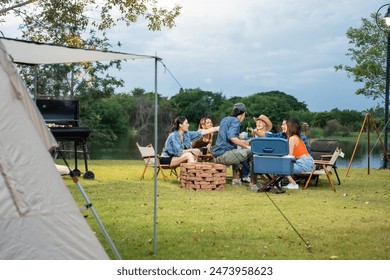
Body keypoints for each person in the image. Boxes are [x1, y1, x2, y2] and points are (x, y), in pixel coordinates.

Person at [212, 103, 260, 191]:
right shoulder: (236, 121)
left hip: (217, 155)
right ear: (243, 113)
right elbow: (232, 137)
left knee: (236, 149)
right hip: (224, 156)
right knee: (253, 152)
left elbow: (228, 139)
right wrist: (246, 146)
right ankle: (253, 184)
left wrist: (241, 142)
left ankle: (236, 180)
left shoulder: (225, 119)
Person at [283, 118, 314, 190]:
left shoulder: (292, 139)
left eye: (285, 125)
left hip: (304, 164)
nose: (283, 127)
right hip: (309, 163)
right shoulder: (298, 137)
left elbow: (290, 157)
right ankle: (289, 183)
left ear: (290, 127)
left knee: (281, 167)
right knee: (282, 165)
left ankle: (293, 184)